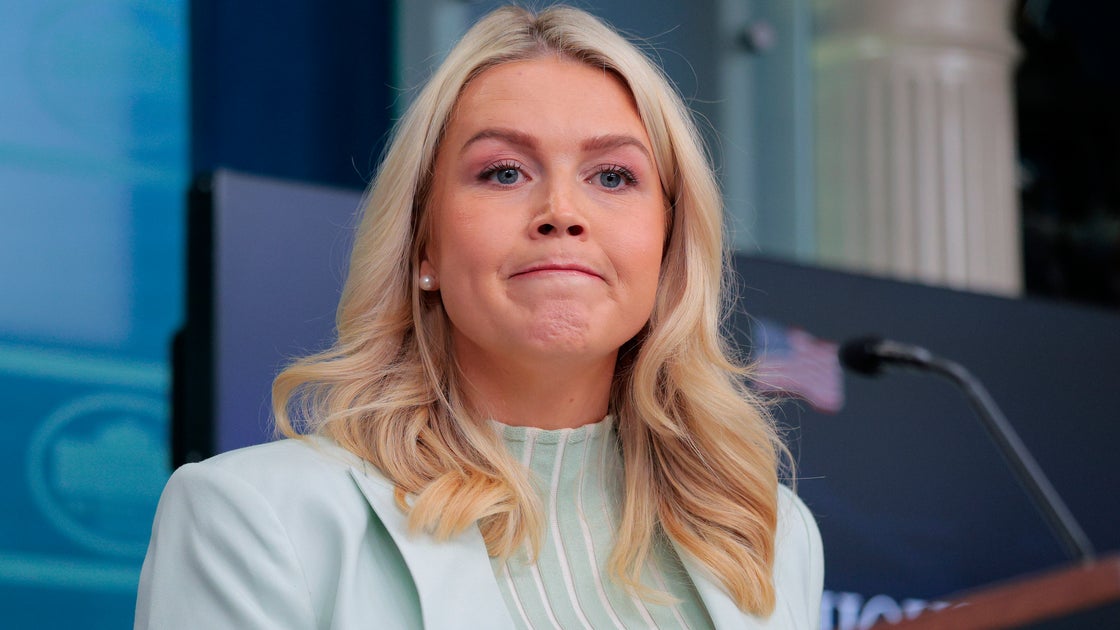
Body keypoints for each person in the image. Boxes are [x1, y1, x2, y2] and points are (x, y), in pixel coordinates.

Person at [135, 5, 823, 629]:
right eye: (504, 172)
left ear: (670, 247)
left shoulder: (767, 533)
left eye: (612, 176)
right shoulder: (252, 516)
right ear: (423, 244)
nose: (562, 212)